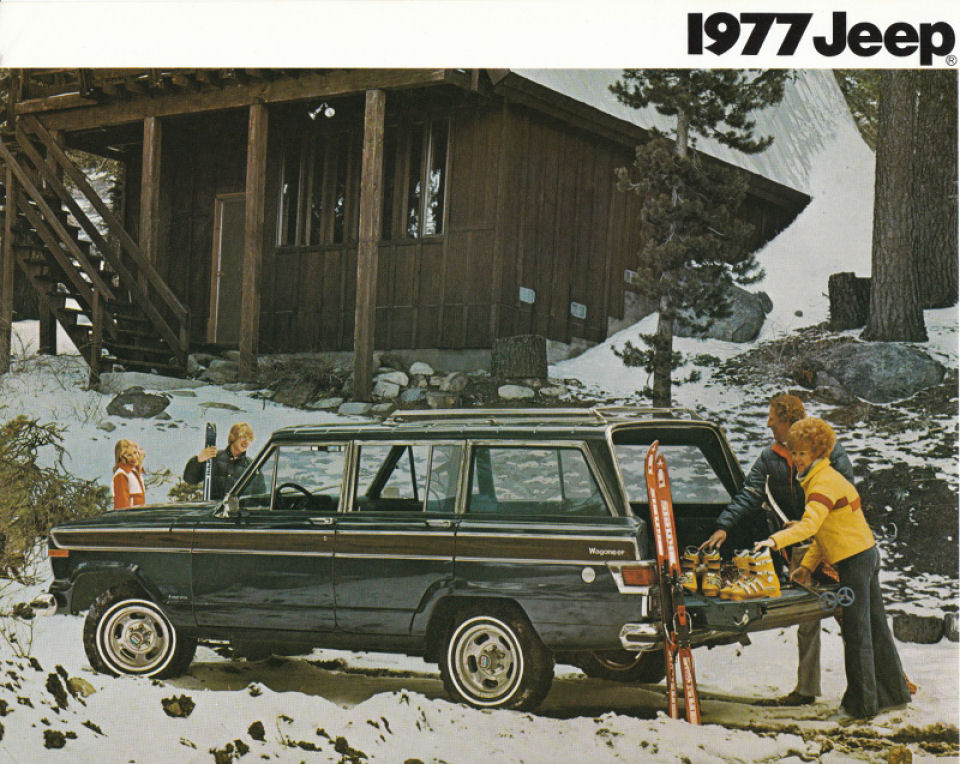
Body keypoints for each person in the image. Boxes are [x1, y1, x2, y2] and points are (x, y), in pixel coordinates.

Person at [700, 393, 855, 706]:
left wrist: (813, 522)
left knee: (852, 615)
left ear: (787, 421)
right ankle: (807, 689)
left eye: (772, 417)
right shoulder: (769, 457)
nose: (768, 423)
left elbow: (845, 492)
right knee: (807, 616)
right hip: (799, 546)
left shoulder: (828, 449)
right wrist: (723, 526)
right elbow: (749, 494)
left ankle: (885, 681)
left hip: (834, 543)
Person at [754, 417, 911, 719]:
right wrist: (807, 566)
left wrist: (774, 541)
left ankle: (860, 707)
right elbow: (825, 534)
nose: (797, 459)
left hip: (854, 561)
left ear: (818, 452)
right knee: (876, 629)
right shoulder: (824, 477)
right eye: (794, 452)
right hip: (865, 554)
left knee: (856, 633)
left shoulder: (822, 483)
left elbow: (810, 526)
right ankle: (893, 696)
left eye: (803, 453)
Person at [183, 422, 256, 500]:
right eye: (243, 437)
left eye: (249, 438)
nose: (246, 442)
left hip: (238, 508)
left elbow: (258, 497)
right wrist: (198, 460)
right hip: (215, 507)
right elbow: (189, 479)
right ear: (233, 437)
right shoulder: (213, 458)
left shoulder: (252, 467)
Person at [112, 439, 146, 510]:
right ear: (122, 457)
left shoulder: (136, 472)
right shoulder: (121, 474)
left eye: (135, 453)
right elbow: (121, 505)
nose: (134, 458)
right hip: (130, 515)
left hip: (139, 514)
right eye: (129, 455)